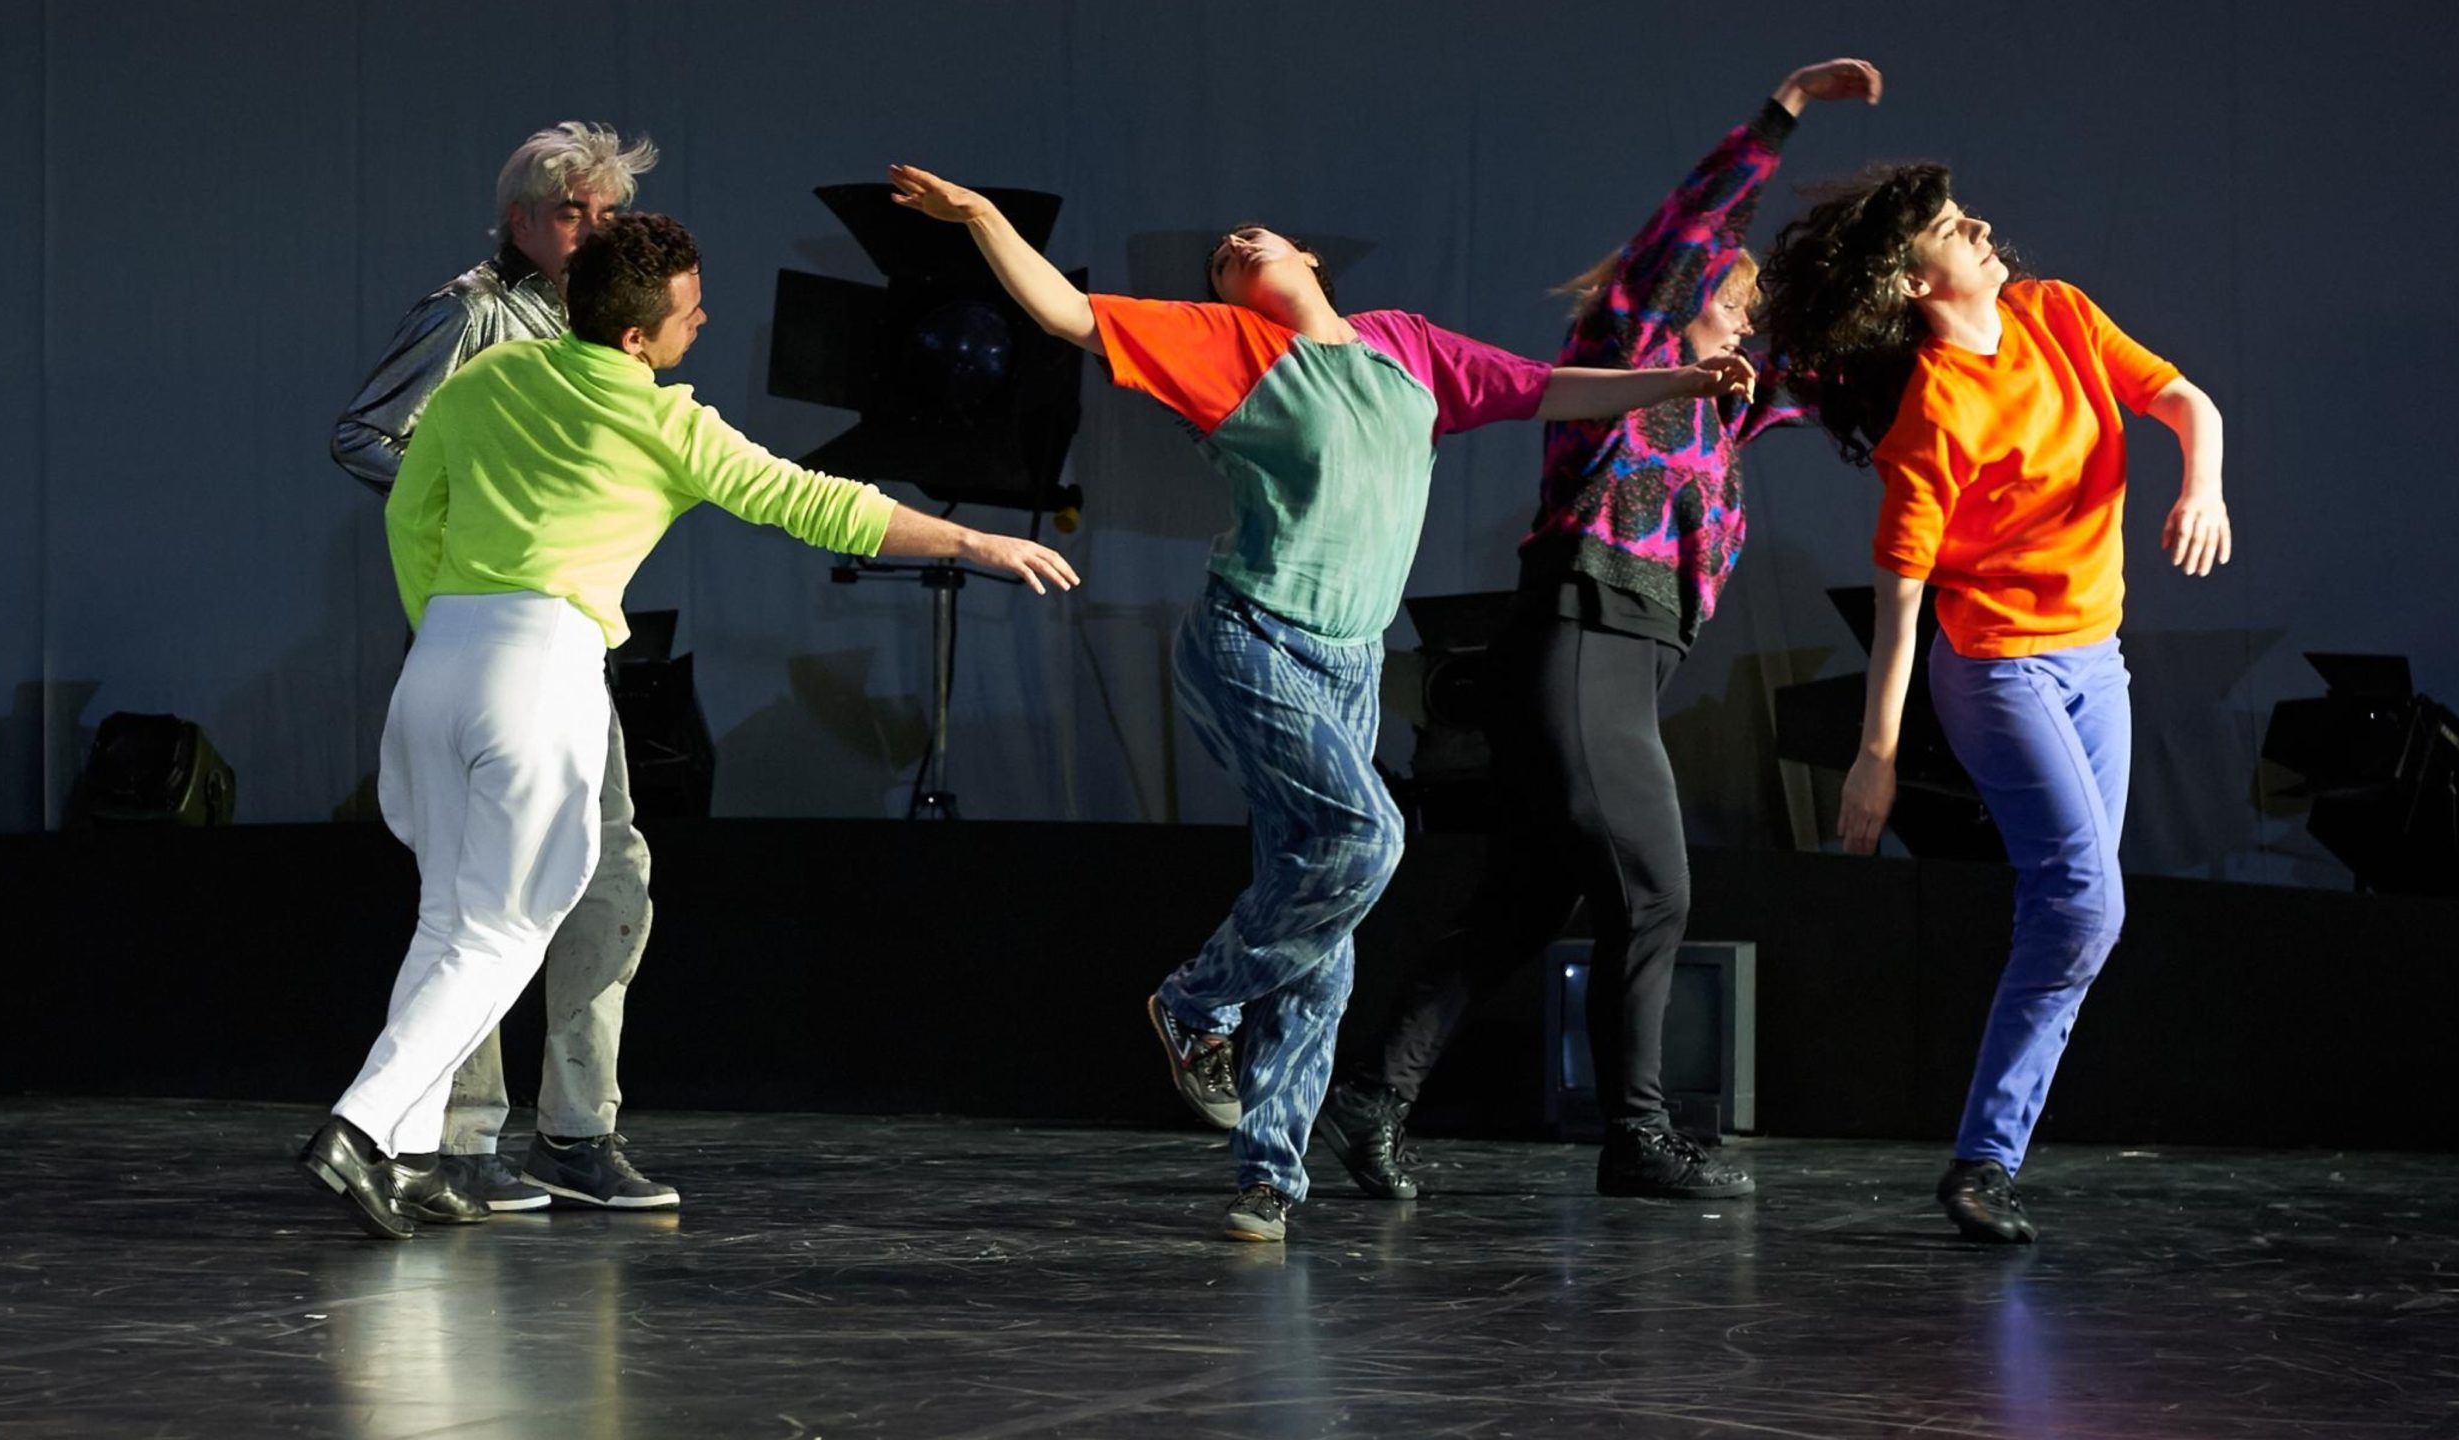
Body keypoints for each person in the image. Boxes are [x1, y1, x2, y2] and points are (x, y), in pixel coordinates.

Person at [886, 164, 1754, 1242]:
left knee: (1324, 920)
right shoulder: (1226, 345)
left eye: (1254, 236)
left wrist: (1680, 382)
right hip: (1250, 640)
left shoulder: (1408, 348)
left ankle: (1270, 1175)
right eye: (1220, 260)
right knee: (1366, 838)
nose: (1235, 247)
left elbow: (1546, 386)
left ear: (1309, 262)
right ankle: (1196, 1001)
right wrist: (980, 216)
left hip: (1351, 666)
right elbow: (1064, 313)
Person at [298, 213, 1079, 1239]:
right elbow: (815, 503)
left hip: (437, 662)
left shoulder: (484, 380)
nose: (702, 322)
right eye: (691, 311)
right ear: (636, 338)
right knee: (506, 929)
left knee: (449, 921)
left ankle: (408, 1157)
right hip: (537, 667)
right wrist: (971, 542)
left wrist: (444, 622)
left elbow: (413, 512)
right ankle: (358, 1127)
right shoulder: (663, 424)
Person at [1316, 58, 1883, 1206]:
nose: (1749, 314)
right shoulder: (1631, 358)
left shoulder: (1724, 410)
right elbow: (1691, 226)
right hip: (1583, 636)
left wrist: (1909, 280)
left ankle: (1368, 1098)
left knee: (1519, 906)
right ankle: (1635, 1137)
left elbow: (1838, 372)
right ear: (1689, 294)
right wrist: (1782, 113)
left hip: (1614, 661)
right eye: (1737, 295)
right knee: (1653, 889)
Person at [1759, 163, 2230, 1242]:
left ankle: (1987, 1162)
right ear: (1913, 281)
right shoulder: (1934, 411)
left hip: (2095, 661)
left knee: (2071, 918)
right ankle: (1983, 1159)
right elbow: (1900, 603)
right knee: (2086, 906)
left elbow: (2182, 400)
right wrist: (1876, 755)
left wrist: (2200, 486)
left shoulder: (2056, 313)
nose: (1977, 226)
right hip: (1998, 671)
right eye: (1946, 227)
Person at [332, 122, 675, 1212]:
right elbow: (365, 434)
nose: (593, 228)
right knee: (474, 895)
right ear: (519, 218)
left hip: (564, 636)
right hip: (479, 629)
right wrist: (466, 515)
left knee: (608, 874)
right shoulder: (471, 310)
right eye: (573, 211)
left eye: (607, 212)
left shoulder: (599, 321)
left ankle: (576, 1129)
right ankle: (460, 1137)